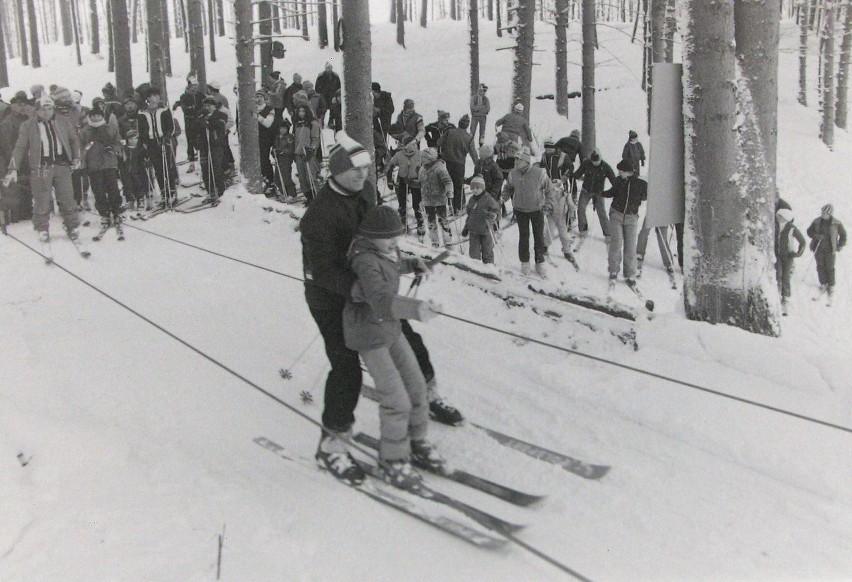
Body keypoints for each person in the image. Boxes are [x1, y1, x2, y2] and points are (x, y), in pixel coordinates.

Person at [300, 134, 463, 486]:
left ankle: (422, 406)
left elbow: (379, 241)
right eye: (354, 171)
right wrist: (363, 292)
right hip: (332, 297)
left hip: (372, 291)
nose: (362, 176)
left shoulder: (365, 194)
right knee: (347, 369)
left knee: (410, 342)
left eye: (365, 170)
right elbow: (322, 270)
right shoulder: (319, 215)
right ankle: (332, 445)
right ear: (337, 171)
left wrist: (404, 264)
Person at [344, 205, 445, 490]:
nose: (394, 242)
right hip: (368, 333)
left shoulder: (385, 251)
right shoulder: (363, 259)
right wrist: (418, 309)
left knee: (417, 387)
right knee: (396, 399)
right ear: (372, 236)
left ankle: (416, 441)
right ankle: (393, 460)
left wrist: (413, 264)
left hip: (390, 327)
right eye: (388, 237)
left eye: (397, 237)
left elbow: (393, 264)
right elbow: (378, 298)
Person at [3, 96, 82, 243]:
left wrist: (76, 157)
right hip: (40, 168)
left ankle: (72, 226)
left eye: (49, 108)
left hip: (61, 165)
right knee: (42, 200)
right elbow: (19, 147)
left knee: (67, 198)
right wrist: (13, 168)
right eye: (43, 109)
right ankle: (42, 228)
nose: (46, 112)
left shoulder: (63, 121)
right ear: (37, 110)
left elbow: (73, 140)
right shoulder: (28, 125)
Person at [501, 147, 554, 277]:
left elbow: (549, 190)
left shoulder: (539, 173)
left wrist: (548, 204)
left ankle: (539, 262)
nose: (516, 162)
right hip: (520, 210)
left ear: (526, 161)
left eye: (519, 160)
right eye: (516, 160)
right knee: (523, 237)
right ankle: (524, 262)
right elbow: (508, 188)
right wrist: (503, 198)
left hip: (537, 209)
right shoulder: (513, 174)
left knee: (538, 237)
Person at [601, 159, 647, 285]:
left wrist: (638, 201)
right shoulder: (618, 181)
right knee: (616, 242)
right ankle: (613, 270)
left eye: (621, 171)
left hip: (631, 217)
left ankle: (630, 274)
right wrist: (601, 193)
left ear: (628, 172)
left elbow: (647, 196)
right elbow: (612, 192)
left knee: (631, 246)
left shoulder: (641, 184)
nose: (619, 173)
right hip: (616, 214)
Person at [80, 107, 124, 235]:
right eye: (93, 116)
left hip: (109, 163)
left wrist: (113, 148)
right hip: (93, 165)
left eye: (98, 116)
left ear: (102, 116)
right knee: (98, 190)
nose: (95, 118)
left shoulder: (110, 128)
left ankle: (116, 210)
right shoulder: (85, 131)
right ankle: (104, 213)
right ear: (90, 117)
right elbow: (80, 147)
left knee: (113, 188)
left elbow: (118, 142)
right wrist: (83, 161)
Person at [0, 92, 33, 223]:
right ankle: (16, 214)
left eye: (24, 104)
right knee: (15, 186)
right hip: (15, 157)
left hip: (28, 156)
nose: (22, 107)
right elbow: (6, 144)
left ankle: (27, 211)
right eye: (18, 104)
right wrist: (12, 160)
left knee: (27, 183)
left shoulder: (27, 119)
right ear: (12, 105)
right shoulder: (7, 122)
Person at [806, 204, 846, 306]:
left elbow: (843, 235)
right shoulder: (817, 221)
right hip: (818, 248)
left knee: (830, 267)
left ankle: (831, 286)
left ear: (829, 214)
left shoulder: (836, 223)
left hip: (830, 250)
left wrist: (840, 245)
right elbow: (809, 231)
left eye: (824, 213)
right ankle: (823, 283)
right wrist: (816, 236)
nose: (822, 214)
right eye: (822, 212)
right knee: (820, 266)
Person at [438, 114, 478, 213]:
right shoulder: (469, 137)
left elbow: (439, 143)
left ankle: (449, 204)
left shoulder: (449, 132)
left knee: (447, 182)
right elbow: (473, 154)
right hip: (459, 163)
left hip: (447, 161)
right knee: (458, 184)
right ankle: (458, 208)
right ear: (467, 125)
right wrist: (478, 165)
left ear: (459, 123)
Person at [572, 150, 615, 241]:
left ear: (600, 159)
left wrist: (616, 188)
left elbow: (613, 180)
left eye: (597, 161)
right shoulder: (586, 163)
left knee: (601, 212)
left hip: (598, 193)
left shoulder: (605, 167)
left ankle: (608, 234)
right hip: (586, 191)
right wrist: (573, 175)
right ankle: (583, 229)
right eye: (593, 161)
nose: (595, 163)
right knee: (580, 208)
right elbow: (578, 173)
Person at [385, 135, 423, 235]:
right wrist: (389, 179)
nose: (415, 145)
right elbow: (390, 166)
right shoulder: (399, 155)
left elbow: (428, 166)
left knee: (417, 203)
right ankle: (403, 223)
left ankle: (420, 223)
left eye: (415, 144)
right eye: (413, 144)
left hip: (415, 181)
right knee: (402, 203)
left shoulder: (420, 154)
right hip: (403, 180)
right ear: (407, 146)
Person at [194, 96, 229, 203]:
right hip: (204, 145)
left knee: (216, 168)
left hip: (216, 145)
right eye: (205, 106)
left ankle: (220, 191)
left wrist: (207, 122)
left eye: (209, 105)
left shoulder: (221, 115)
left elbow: (220, 125)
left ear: (214, 106)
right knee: (205, 169)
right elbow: (195, 128)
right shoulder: (201, 116)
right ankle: (211, 191)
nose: (207, 108)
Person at [418, 147, 454, 248]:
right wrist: (413, 183)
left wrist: (449, 191)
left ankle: (448, 240)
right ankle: (434, 241)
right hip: (427, 199)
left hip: (439, 199)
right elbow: (421, 182)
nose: (422, 160)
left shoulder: (440, 168)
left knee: (443, 220)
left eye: (424, 158)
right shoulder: (422, 169)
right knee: (431, 221)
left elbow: (448, 181)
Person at [774, 208, 806, 316]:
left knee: (786, 276)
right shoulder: (775, 226)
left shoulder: (791, 228)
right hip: (777, 256)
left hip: (788, 256)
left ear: (786, 218)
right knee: (778, 274)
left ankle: (786, 298)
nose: (778, 218)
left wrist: (797, 253)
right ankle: (777, 294)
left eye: (780, 216)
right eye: (778, 216)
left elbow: (802, 241)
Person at [462, 175, 500, 264]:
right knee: (474, 253)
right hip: (473, 231)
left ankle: (489, 267)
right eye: (473, 188)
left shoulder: (489, 199)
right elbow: (470, 215)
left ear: (482, 188)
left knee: (487, 251)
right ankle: (476, 267)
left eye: (477, 188)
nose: (474, 190)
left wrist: (493, 215)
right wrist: (466, 227)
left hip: (485, 230)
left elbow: (497, 212)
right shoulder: (471, 199)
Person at [543, 178, 578, 268]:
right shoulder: (549, 194)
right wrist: (546, 209)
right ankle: (545, 247)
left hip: (561, 218)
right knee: (549, 233)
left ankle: (566, 251)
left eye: (559, 188)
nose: (557, 190)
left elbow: (571, 204)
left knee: (564, 235)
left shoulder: (566, 195)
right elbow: (547, 203)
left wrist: (573, 207)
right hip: (552, 216)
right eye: (555, 188)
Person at [173, 78, 204, 171]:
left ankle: (202, 161)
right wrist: (194, 109)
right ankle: (191, 163)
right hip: (189, 121)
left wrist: (199, 111)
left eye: (196, 86)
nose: (195, 88)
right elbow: (185, 109)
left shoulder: (200, 95)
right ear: (189, 87)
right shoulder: (184, 96)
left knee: (200, 141)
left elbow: (205, 105)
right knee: (190, 141)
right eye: (193, 86)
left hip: (199, 120)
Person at [293, 104, 321, 204]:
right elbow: (296, 138)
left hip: (308, 152)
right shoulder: (297, 123)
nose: (301, 113)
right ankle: (308, 196)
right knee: (302, 177)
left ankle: (316, 196)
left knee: (310, 175)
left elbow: (315, 139)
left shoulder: (313, 123)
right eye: (299, 111)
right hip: (298, 152)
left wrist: (312, 149)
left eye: (303, 111)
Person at [120, 129, 149, 211]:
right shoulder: (124, 149)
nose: (133, 141)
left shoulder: (140, 148)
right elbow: (121, 160)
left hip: (138, 171)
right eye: (131, 139)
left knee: (139, 185)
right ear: (127, 140)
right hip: (126, 171)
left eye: (135, 139)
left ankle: (140, 200)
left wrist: (146, 158)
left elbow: (145, 158)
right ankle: (130, 201)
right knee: (127, 186)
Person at [256, 91, 278, 196]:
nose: (258, 99)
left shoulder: (269, 109)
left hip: (265, 137)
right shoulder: (253, 108)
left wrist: (257, 117)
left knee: (264, 158)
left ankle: (270, 180)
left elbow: (268, 123)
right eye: (257, 96)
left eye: (260, 97)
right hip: (255, 138)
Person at [273, 119, 298, 201]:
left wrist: (282, 152)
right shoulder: (277, 137)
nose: (282, 130)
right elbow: (275, 147)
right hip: (278, 160)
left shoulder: (289, 137)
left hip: (286, 160)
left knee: (286, 177)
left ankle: (292, 193)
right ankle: (283, 192)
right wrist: (274, 152)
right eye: (281, 128)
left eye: (284, 128)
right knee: (277, 177)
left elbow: (291, 149)